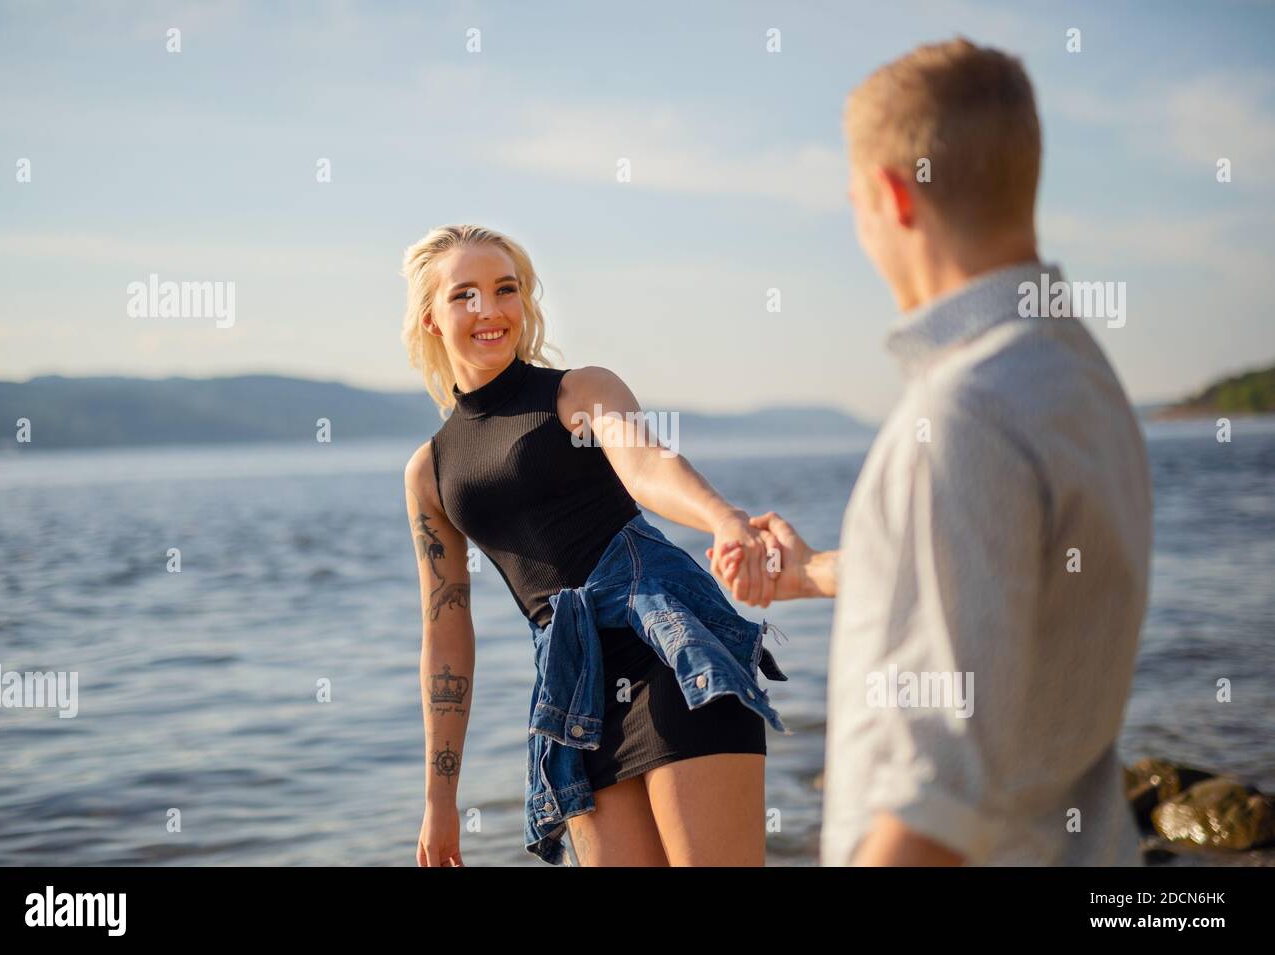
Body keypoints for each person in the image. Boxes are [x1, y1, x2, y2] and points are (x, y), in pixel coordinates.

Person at [710, 38, 1151, 866]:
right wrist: (813, 575)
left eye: (854, 203)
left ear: (891, 197)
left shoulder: (963, 415)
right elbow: (1010, 581)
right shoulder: (1080, 377)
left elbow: (931, 812)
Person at [400, 224, 790, 867]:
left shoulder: (577, 392)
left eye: (506, 289)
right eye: (464, 294)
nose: (490, 310)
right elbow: (445, 633)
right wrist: (441, 799)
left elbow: (647, 463)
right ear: (433, 319)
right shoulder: (431, 472)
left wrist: (722, 518)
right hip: (574, 690)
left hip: (669, 649)